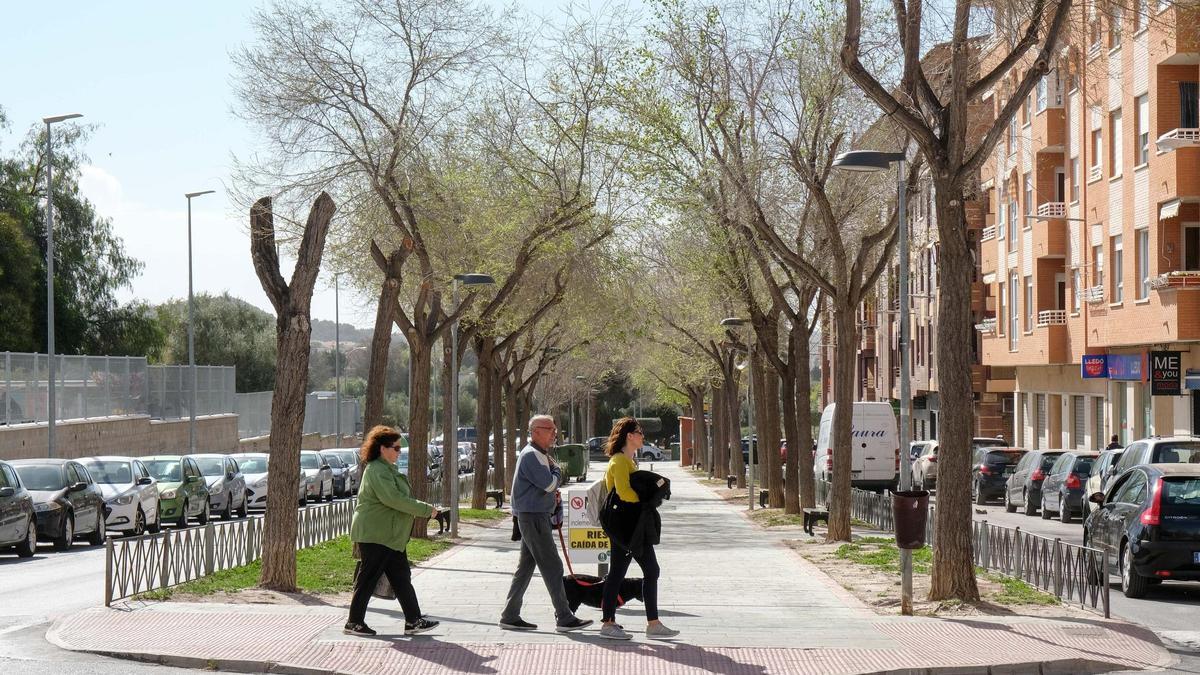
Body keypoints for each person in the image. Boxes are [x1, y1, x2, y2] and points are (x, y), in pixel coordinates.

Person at [499, 414, 593, 633]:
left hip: (534, 516)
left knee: (525, 568)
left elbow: (547, 486)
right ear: (535, 431)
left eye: (554, 429)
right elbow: (550, 484)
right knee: (553, 566)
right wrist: (558, 471)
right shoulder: (533, 455)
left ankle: (510, 615)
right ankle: (564, 617)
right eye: (550, 429)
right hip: (533, 518)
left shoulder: (539, 454)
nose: (555, 433)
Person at [345, 425, 440, 637]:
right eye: (396, 448)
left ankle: (413, 620)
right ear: (382, 448)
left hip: (389, 535)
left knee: (400, 577)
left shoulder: (386, 469)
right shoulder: (377, 470)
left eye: (399, 449)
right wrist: (427, 510)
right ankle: (354, 622)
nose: (399, 452)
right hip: (376, 534)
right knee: (368, 578)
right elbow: (394, 499)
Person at [598, 417, 678, 640]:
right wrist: (647, 501)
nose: (643, 436)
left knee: (650, 570)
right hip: (624, 528)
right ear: (629, 436)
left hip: (635, 525)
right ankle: (608, 623)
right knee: (617, 574)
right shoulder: (619, 461)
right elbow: (623, 492)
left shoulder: (630, 461)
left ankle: (653, 624)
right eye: (639, 432)